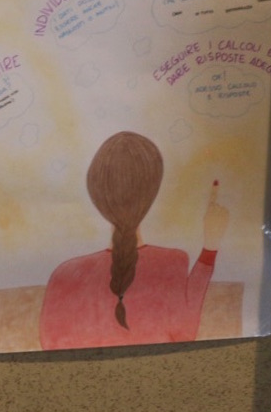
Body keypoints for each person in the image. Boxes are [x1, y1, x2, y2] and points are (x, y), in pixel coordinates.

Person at [39, 131, 227, 349]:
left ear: (97, 195)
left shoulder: (65, 273)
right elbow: (185, 334)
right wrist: (210, 246)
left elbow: (49, 345)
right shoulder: (172, 263)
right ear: (151, 193)